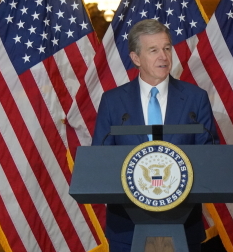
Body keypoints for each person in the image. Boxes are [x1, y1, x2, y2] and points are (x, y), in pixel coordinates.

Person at [92, 19, 219, 252]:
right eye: (153, 50)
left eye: (167, 48)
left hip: (183, 225)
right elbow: (100, 163)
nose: (163, 56)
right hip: (127, 229)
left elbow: (211, 158)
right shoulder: (112, 102)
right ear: (136, 58)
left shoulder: (194, 99)